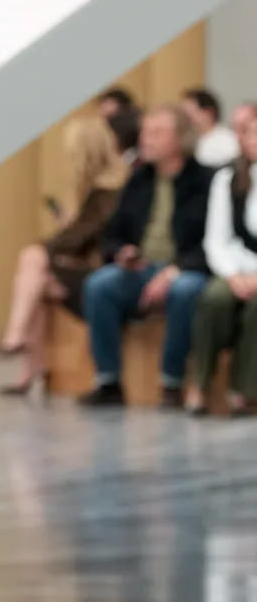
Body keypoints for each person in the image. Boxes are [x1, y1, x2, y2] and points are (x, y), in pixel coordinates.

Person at [80, 104, 212, 407]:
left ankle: (171, 382)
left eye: (156, 133)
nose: (145, 140)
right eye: (145, 132)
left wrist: (174, 270)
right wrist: (121, 252)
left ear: (180, 139)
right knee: (100, 284)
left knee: (185, 290)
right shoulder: (138, 179)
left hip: (187, 268)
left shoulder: (206, 180)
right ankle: (108, 381)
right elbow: (111, 234)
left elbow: (211, 243)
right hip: (142, 268)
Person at [0, 114, 129, 395]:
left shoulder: (109, 191)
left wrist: (57, 241)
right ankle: (31, 365)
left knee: (34, 258)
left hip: (104, 274)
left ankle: (17, 339)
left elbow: (82, 238)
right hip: (90, 267)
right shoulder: (98, 189)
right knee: (38, 281)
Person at [185, 111, 257, 416]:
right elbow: (216, 239)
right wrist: (233, 275)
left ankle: (244, 390)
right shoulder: (227, 178)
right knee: (214, 299)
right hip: (235, 269)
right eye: (249, 133)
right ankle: (200, 383)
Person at [181, 88, 239, 168]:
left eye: (189, 113)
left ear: (208, 112)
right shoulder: (187, 141)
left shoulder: (228, 140)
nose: (185, 118)